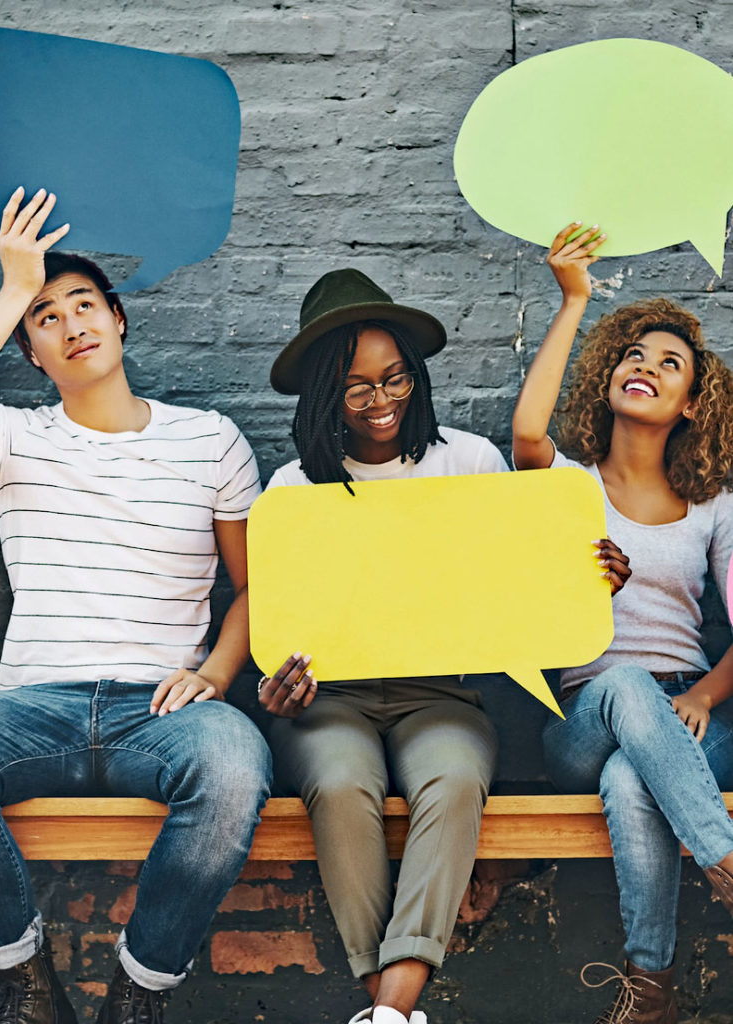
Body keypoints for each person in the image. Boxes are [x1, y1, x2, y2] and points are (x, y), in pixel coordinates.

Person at [0, 187, 271, 1024]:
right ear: (30, 349)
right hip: (33, 709)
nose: (71, 325)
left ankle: (139, 988)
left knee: (236, 761)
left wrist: (215, 671)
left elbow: (254, 589)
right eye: (47, 318)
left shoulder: (210, 439)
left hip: (160, 711)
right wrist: (11, 290)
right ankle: (21, 983)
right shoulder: (15, 438)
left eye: (84, 305)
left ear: (120, 319)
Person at [258, 268, 630, 1024]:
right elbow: (279, 629)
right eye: (357, 387)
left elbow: (514, 587)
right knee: (339, 781)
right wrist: (279, 687)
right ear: (326, 396)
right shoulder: (292, 489)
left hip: (442, 695)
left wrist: (588, 581)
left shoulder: (467, 461)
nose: (382, 400)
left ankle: (388, 1013)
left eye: (394, 378)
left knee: (456, 779)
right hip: (330, 703)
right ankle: (394, 1009)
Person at [512, 222, 733, 1024]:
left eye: (668, 363)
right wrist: (573, 299)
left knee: (633, 776)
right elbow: (528, 434)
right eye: (635, 355)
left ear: (691, 403)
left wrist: (707, 694)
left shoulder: (715, 509)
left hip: (689, 713)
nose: (645, 366)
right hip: (584, 713)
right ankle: (725, 860)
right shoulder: (570, 486)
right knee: (626, 693)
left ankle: (650, 991)